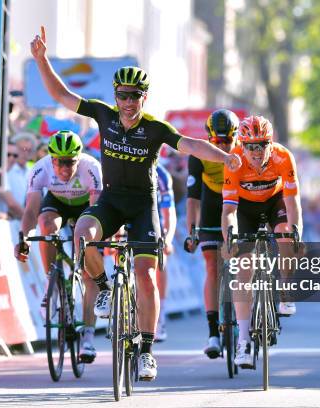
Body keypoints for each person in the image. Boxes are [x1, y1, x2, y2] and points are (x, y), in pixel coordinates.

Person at [30, 26, 240, 381]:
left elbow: (191, 145)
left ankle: (145, 350)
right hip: (111, 201)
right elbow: (62, 95)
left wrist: (225, 157)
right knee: (83, 230)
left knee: (145, 276)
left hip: (144, 205)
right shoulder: (104, 115)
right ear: (116, 96)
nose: (129, 102)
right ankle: (106, 288)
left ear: (145, 97)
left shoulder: (155, 128)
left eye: (136, 96)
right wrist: (41, 60)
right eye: (124, 95)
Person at [221, 116, 303, 368]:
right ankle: (243, 341)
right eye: (250, 146)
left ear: (271, 143)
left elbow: (292, 202)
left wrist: (296, 231)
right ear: (242, 145)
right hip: (244, 208)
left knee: (285, 234)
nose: (256, 152)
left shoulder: (283, 157)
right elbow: (228, 210)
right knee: (243, 270)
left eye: (261, 145)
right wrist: (230, 236)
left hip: (275, 201)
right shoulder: (234, 161)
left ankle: (286, 289)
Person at [14, 130, 102, 363]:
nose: (64, 169)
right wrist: (24, 237)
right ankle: (50, 284)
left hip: (87, 208)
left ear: (79, 158)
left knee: (88, 272)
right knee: (46, 224)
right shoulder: (40, 169)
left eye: (70, 163)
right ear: (51, 159)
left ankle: (89, 338)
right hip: (57, 203)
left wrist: (90, 242)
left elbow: (96, 212)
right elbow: (31, 211)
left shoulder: (91, 168)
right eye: (59, 163)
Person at [184, 109, 239, 358]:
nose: (225, 146)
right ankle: (213, 334)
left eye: (228, 140)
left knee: (241, 260)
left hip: (238, 204)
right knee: (212, 267)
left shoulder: (244, 152)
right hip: (211, 205)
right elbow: (193, 199)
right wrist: (192, 232)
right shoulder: (200, 154)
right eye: (218, 141)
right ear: (209, 138)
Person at [154, 163, 177, 342]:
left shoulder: (161, 174)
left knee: (160, 261)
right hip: (129, 217)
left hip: (156, 222)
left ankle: (160, 316)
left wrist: (167, 238)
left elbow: (169, 213)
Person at [0, 142, 25, 220]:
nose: (11, 158)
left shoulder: (5, 173)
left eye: (15, 155)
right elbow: (12, 204)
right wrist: (32, 221)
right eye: (8, 154)